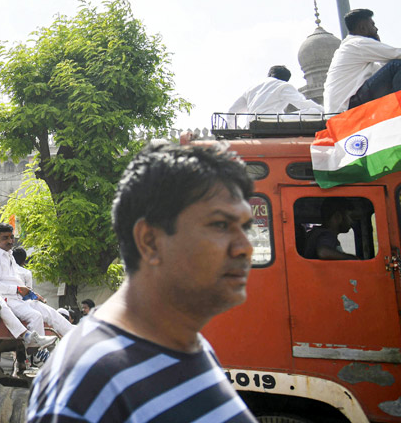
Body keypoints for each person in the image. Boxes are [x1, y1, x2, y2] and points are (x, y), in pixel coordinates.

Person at [26, 142, 256, 422]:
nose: (245, 247)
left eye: (245, 227)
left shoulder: (189, 345)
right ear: (150, 241)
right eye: (221, 225)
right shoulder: (88, 381)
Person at [0, 224, 73, 341]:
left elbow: (15, 280)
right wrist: (18, 289)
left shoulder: (10, 256)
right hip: (4, 300)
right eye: (5, 238)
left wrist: (31, 293)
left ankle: (76, 336)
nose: (10, 241)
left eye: (11, 237)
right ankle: (36, 349)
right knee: (35, 316)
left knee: (50, 312)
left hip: (18, 298)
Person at [228, 65, 323, 115]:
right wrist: (323, 111)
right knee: (314, 111)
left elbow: (232, 111)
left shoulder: (251, 88)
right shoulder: (283, 85)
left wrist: (232, 132)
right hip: (271, 122)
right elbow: (302, 104)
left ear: (269, 75)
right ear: (286, 79)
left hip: (252, 123)